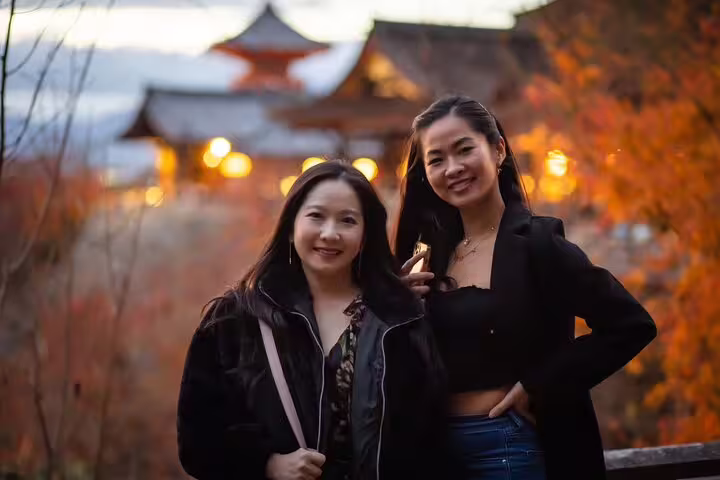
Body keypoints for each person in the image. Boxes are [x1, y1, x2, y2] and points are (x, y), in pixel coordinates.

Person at [394, 95, 657, 480]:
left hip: (510, 446)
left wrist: (540, 384)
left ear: (498, 150)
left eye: (464, 150)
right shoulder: (426, 259)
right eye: (436, 159)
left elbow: (631, 324)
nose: (452, 168)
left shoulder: (538, 244)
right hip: (437, 452)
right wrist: (395, 308)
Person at [178, 160, 446, 480]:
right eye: (316, 216)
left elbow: (431, 436)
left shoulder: (398, 321)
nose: (330, 233)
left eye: (347, 220)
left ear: (365, 236)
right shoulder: (238, 320)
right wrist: (267, 464)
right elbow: (198, 439)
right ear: (291, 228)